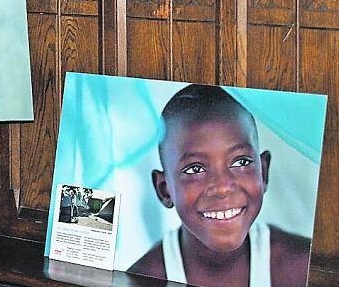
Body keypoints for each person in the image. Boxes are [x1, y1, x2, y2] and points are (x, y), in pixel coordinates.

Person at [127, 84, 311, 287]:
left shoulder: (302, 267)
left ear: (263, 172)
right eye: (195, 169)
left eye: (241, 162)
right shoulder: (142, 280)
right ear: (164, 189)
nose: (222, 187)